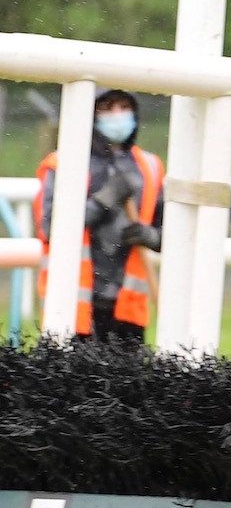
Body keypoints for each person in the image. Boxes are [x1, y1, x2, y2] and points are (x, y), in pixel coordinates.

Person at [32, 89, 166, 343]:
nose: (117, 115)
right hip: (72, 309)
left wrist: (149, 236)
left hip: (128, 311)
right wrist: (104, 201)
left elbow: (170, 234)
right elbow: (49, 228)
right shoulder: (62, 164)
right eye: (107, 108)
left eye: (123, 107)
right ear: (90, 115)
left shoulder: (150, 166)